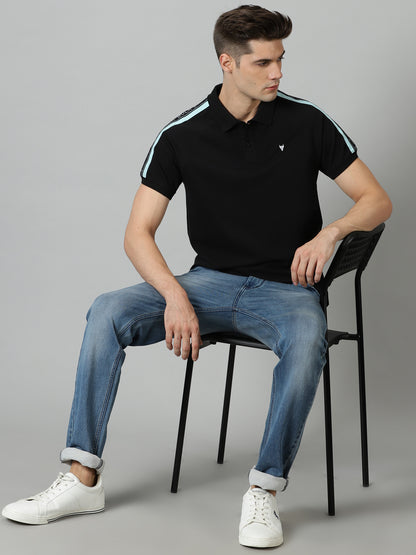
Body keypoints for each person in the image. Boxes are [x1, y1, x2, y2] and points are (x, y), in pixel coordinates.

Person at [2, 4, 392, 549]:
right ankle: (82, 479)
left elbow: (376, 200)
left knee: (307, 341)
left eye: (280, 59)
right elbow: (137, 233)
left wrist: (332, 233)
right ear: (227, 63)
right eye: (263, 63)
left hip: (286, 291)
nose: (277, 73)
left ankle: (264, 491)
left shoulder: (307, 122)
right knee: (107, 309)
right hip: (207, 283)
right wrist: (175, 297)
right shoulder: (182, 134)